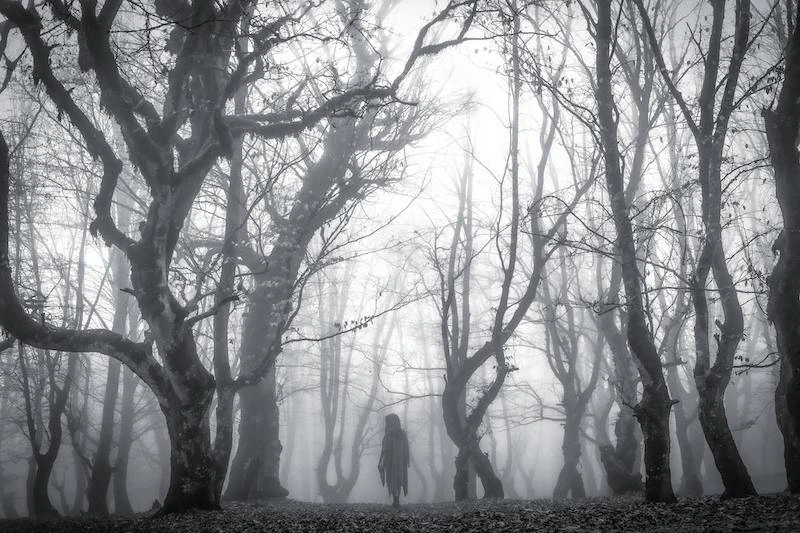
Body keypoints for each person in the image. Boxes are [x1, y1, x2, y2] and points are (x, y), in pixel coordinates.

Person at [377, 413, 409, 507]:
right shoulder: (401, 433)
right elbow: (405, 448)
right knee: (397, 479)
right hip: (398, 462)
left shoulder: (390, 434)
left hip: (393, 462)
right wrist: (406, 459)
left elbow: (385, 449)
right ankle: (396, 501)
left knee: (393, 479)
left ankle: (396, 501)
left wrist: (382, 460)